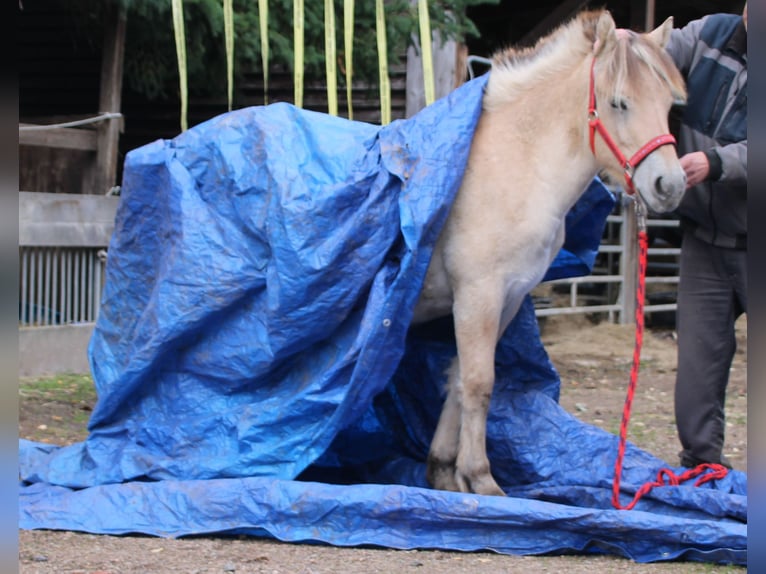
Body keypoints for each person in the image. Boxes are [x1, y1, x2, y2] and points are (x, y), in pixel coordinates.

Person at [664, 4, 747, 469]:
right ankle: (701, 468)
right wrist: (625, 45)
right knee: (696, 371)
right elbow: (660, 50)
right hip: (704, 241)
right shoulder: (710, 33)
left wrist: (715, 163)